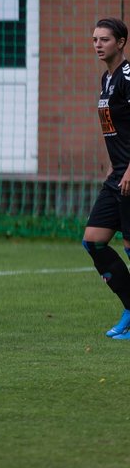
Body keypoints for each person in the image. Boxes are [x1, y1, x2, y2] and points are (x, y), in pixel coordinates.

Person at [83, 17, 130, 339]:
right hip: (117, 175)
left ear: (121, 42)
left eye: (105, 39)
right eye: (95, 39)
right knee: (93, 242)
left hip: (129, 176)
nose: (98, 44)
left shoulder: (128, 77)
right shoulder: (107, 78)